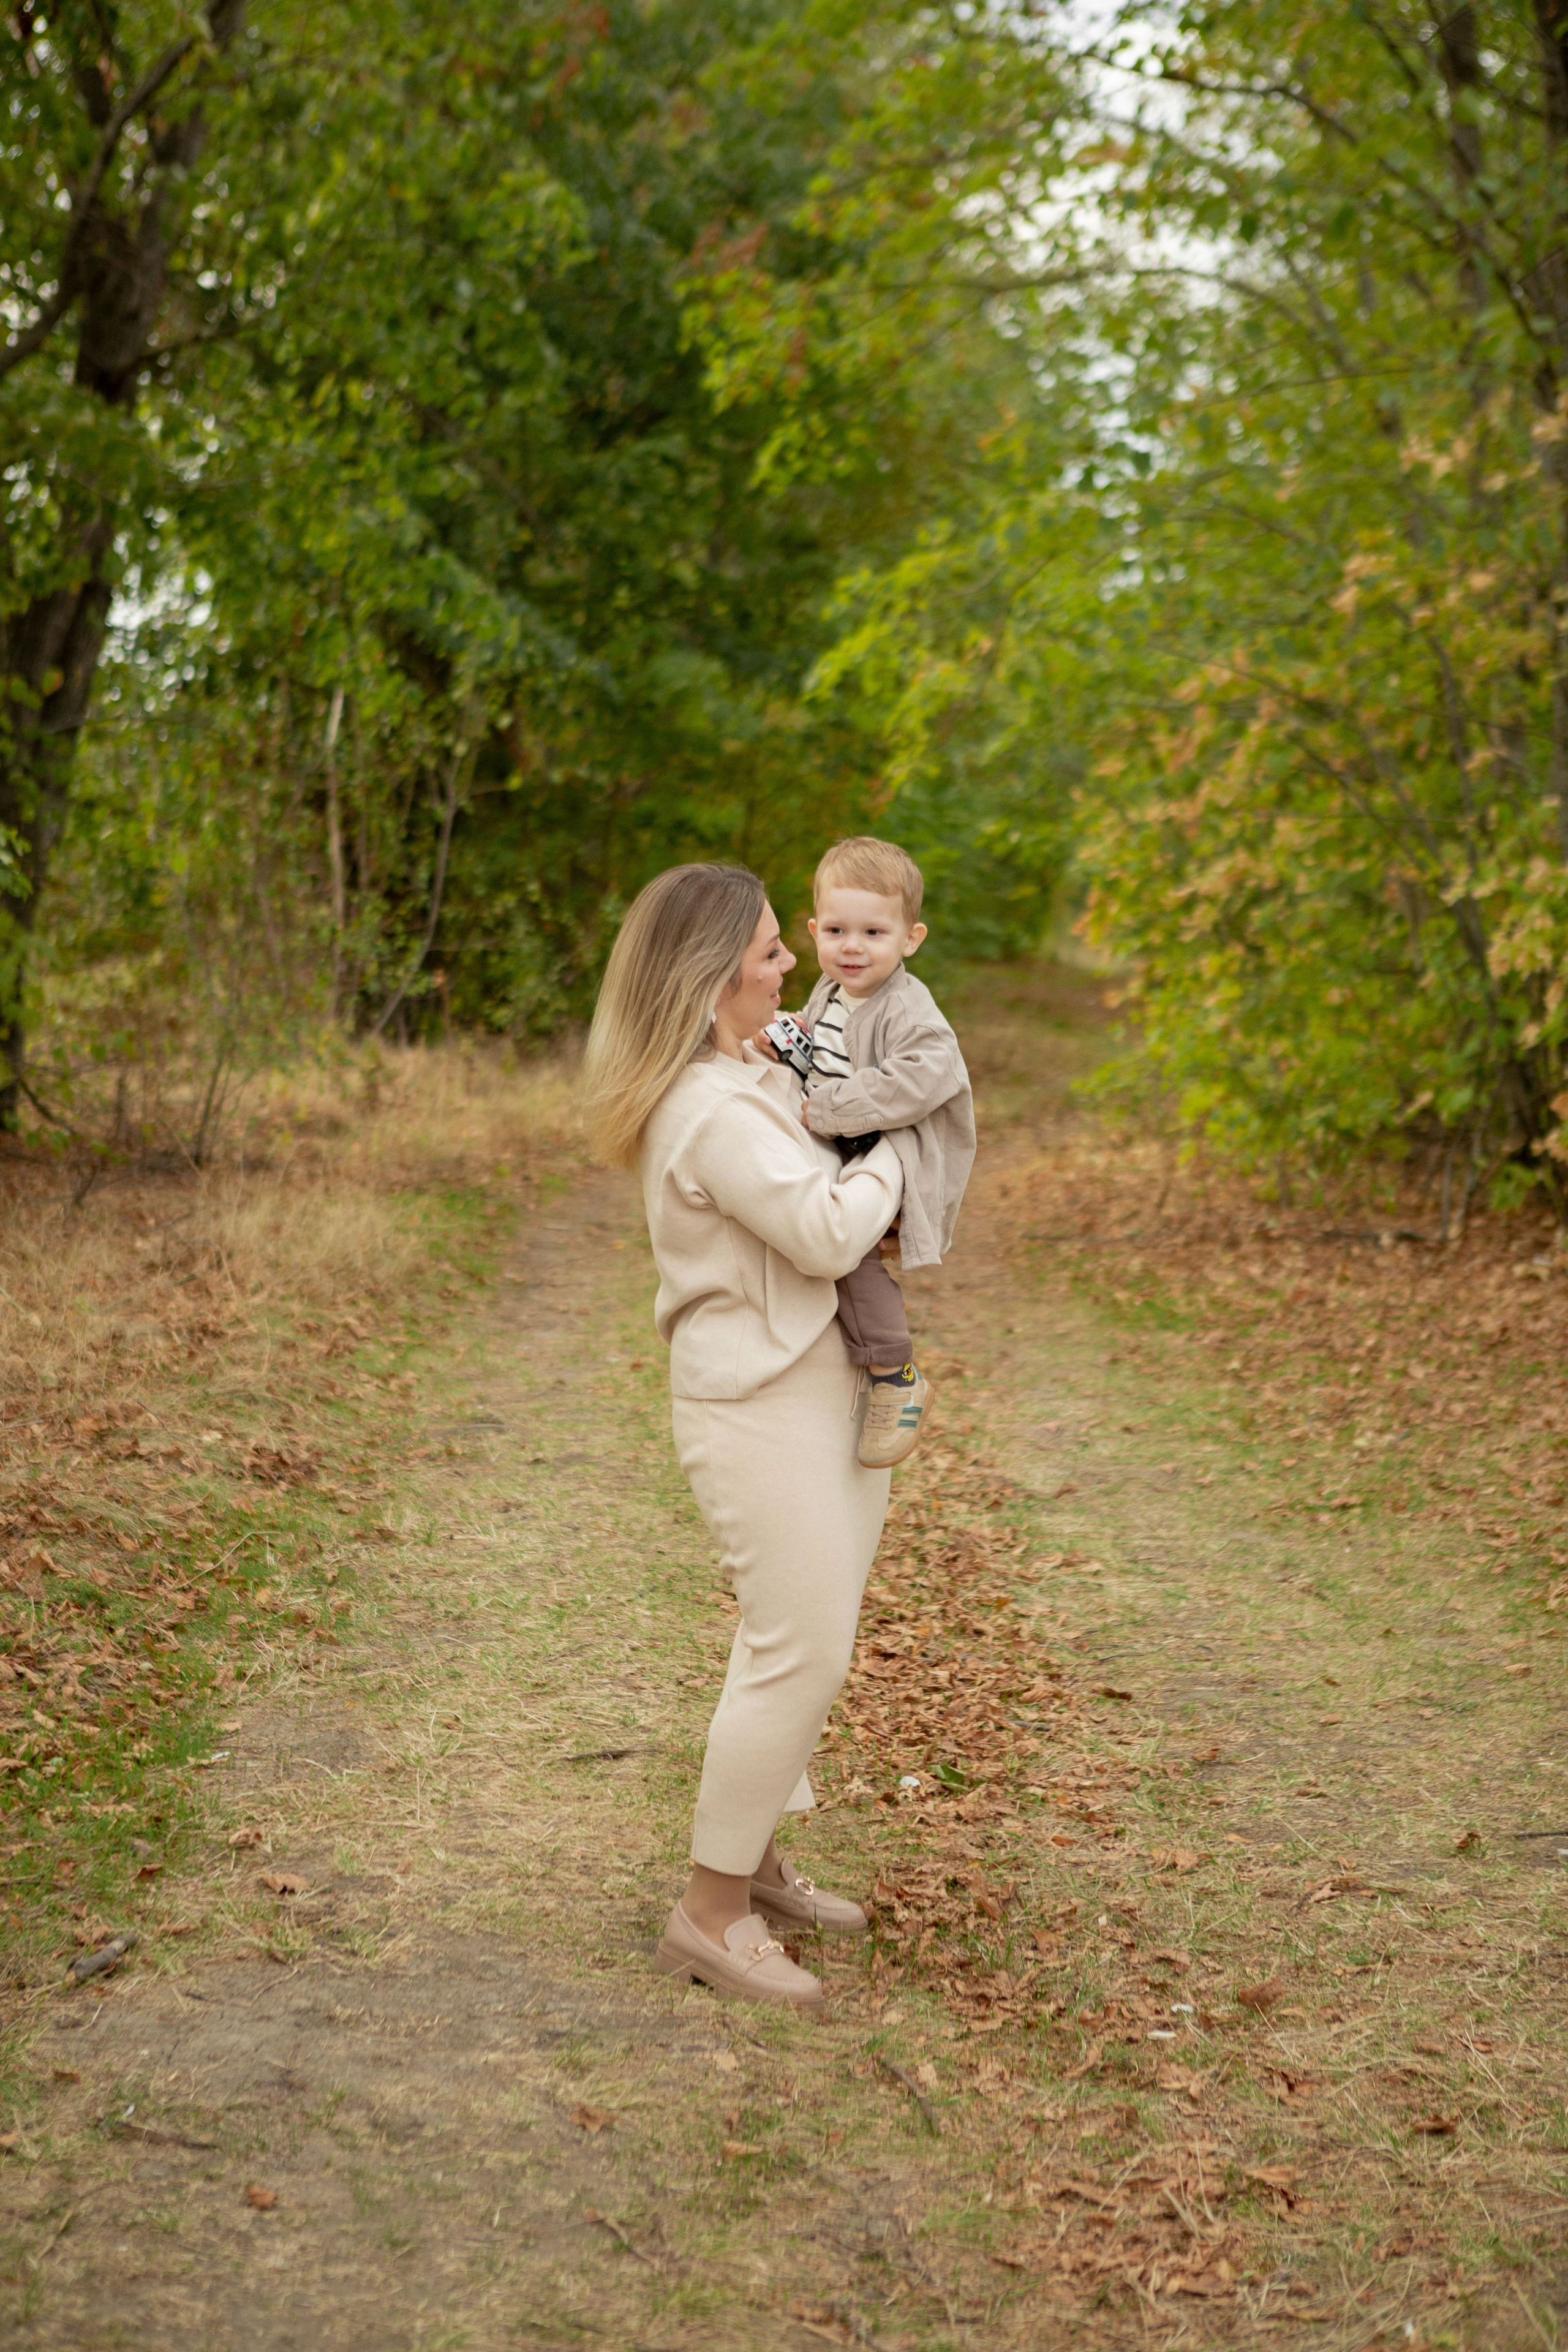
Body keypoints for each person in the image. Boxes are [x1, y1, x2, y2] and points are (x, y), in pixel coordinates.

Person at [581, 862, 906, 2013]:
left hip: (811, 1384)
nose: (792, 966)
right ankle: (709, 1914)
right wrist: (900, 1157)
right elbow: (823, 1231)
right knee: (800, 1647)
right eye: (772, 951)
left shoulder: (744, 1073)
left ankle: (757, 1860)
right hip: (755, 1403)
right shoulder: (708, 1107)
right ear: (713, 973)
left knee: (797, 1636)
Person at [790, 837, 974, 1470]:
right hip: (850, 1151)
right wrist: (783, 1039)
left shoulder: (906, 1005)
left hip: (896, 1156)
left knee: (852, 1260)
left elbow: (927, 1075)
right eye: (837, 929)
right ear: (814, 930)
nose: (852, 946)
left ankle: (895, 1374)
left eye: (873, 931)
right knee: (818, 1245)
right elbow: (824, 1047)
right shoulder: (831, 991)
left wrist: (829, 1108)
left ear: (910, 938)